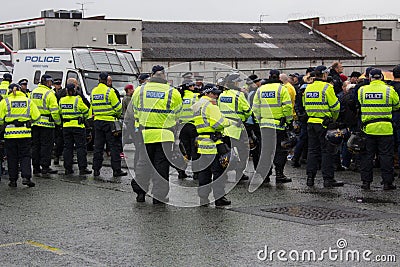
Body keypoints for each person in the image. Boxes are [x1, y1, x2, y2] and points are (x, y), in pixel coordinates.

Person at [131, 65, 182, 204]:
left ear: (151, 75)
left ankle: (140, 192)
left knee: (143, 164)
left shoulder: (140, 91)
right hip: (165, 135)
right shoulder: (173, 92)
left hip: (145, 133)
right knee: (161, 167)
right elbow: (178, 114)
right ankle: (159, 196)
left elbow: (135, 110)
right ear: (164, 76)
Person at [358, 69, 400, 190]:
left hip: (368, 128)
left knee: (367, 156)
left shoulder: (362, 90)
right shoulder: (389, 90)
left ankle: (366, 182)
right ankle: (387, 183)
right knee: (386, 156)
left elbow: (360, 103)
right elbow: (397, 105)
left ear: (370, 78)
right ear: (381, 77)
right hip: (386, 129)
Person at [192, 83, 231, 206]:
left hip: (202, 143)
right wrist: (228, 122)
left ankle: (203, 198)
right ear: (207, 93)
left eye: (217, 94)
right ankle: (219, 198)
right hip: (214, 143)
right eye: (214, 93)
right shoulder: (210, 105)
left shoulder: (197, 105)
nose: (216, 96)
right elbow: (218, 123)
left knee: (204, 172)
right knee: (218, 172)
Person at [303, 65, 343, 188]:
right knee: (327, 152)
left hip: (311, 122)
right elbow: (336, 107)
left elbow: (305, 105)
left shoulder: (308, 88)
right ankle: (328, 179)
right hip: (324, 123)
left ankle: (310, 178)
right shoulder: (327, 87)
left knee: (312, 151)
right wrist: (334, 119)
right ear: (325, 75)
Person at [252, 69, 293, 183]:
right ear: (279, 77)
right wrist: (289, 122)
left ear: (269, 77)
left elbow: (255, 108)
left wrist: (259, 121)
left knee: (265, 151)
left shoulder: (260, 89)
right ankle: (279, 174)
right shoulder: (282, 89)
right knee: (280, 150)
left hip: (264, 126)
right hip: (278, 126)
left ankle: (265, 175)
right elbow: (288, 107)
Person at [0, 83, 41, 187]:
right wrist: (29, 121)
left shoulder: (5, 102)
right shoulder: (28, 101)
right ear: (19, 90)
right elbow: (37, 116)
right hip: (24, 134)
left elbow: (0, 119)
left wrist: (6, 123)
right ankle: (26, 177)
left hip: (10, 134)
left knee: (12, 157)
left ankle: (13, 180)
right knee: (25, 156)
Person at [90, 72, 127, 177]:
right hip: (110, 122)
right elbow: (118, 108)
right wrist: (116, 114)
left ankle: (96, 169)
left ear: (98, 79)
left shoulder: (93, 91)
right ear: (106, 80)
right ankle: (116, 170)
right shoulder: (109, 92)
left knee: (98, 147)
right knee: (113, 146)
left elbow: (92, 106)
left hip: (97, 121)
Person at [217, 73, 252, 182]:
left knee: (225, 152)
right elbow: (247, 111)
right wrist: (244, 119)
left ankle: (224, 174)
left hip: (225, 128)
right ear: (235, 83)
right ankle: (239, 174)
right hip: (237, 129)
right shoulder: (239, 95)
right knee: (242, 152)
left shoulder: (222, 95)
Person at [30, 74, 61, 175]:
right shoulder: (49, 93)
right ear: (48, 82)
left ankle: (35, 167)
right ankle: (45, 167)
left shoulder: (33, 92)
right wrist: (58, 122)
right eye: (51, 82)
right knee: (46, 147)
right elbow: (55, 111)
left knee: (36, 146)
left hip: (35, 123)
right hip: (47, 124)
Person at [59, 83, 91, 175]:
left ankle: (68, 168)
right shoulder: (78, 99)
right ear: (74, 90)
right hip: (78, 127)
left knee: (67, 148)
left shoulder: (62, 100)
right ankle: (82, 168)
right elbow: (86, 111)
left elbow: (59, 112)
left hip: (66, 126)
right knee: (80, 148)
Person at [177, 79, 199, 179]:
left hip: (182, 127)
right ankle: (196, 173)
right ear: (190, 87)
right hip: (193, 126)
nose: (194, 87)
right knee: (195, 150)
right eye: (193, 86)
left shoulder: (180, 97)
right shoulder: (195, 96)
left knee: (185, 151)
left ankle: (181, 171)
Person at [53, 78, 64, 165]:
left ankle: (58, 155)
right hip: (56, 119)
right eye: (57, 84)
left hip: (60, 118)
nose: (58, 86)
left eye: (59, 84)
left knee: (60, 139)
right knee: (58, 138)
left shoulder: (62, 92)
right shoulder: (52, 92)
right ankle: (56, 155)